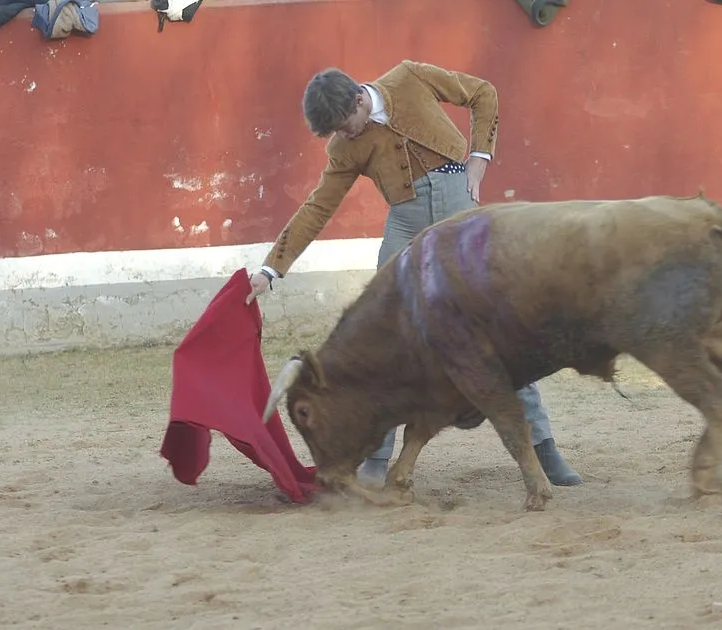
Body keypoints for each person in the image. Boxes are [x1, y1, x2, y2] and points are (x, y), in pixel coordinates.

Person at [246, 60, 583, 488]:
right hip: (405, 226)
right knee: (382, 335)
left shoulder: (409, 78)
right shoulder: (344, 148)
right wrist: (271, 268)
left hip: (459, 215)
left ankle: (543, 447)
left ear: (358, 99)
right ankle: (376, 457)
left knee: (497, 331)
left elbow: (483, 92)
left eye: (344, 125)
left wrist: (479, 157)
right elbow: (317, 207)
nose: (343, 135)